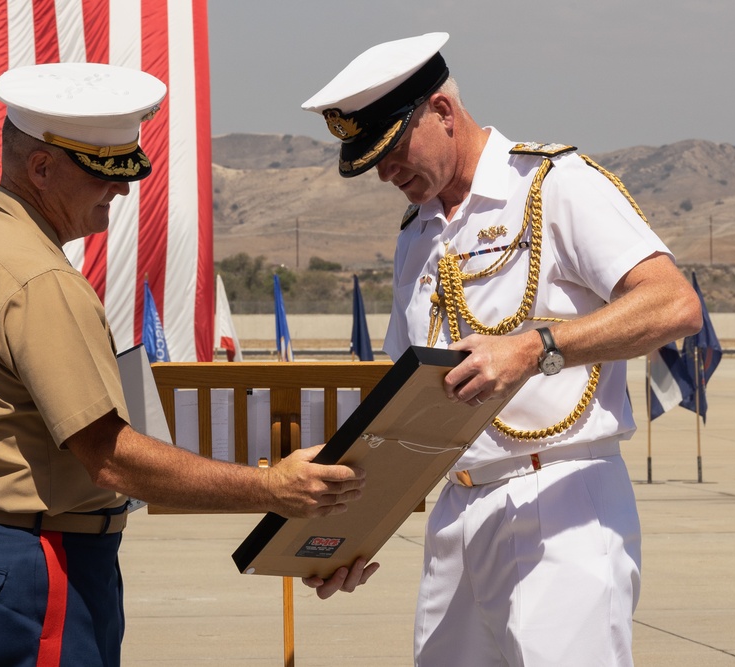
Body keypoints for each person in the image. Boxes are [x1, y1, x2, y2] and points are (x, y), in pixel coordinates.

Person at [0, 62, 374, 667]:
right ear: (41, 168)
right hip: (42, 562)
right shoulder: (41, 279)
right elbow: (110, 457)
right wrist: (272, 487)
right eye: (102, 173)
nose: (121, 190)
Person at [300, 33, 703, 666]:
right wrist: (348, 535)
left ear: (441, 111)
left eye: (391, 148)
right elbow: (400, 408)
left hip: (561, 501)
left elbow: (674, 304)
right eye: (370, 160)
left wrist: (536, 347)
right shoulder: (417, 234)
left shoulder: (554, 184)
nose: (384, 172)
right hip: (458, 512)